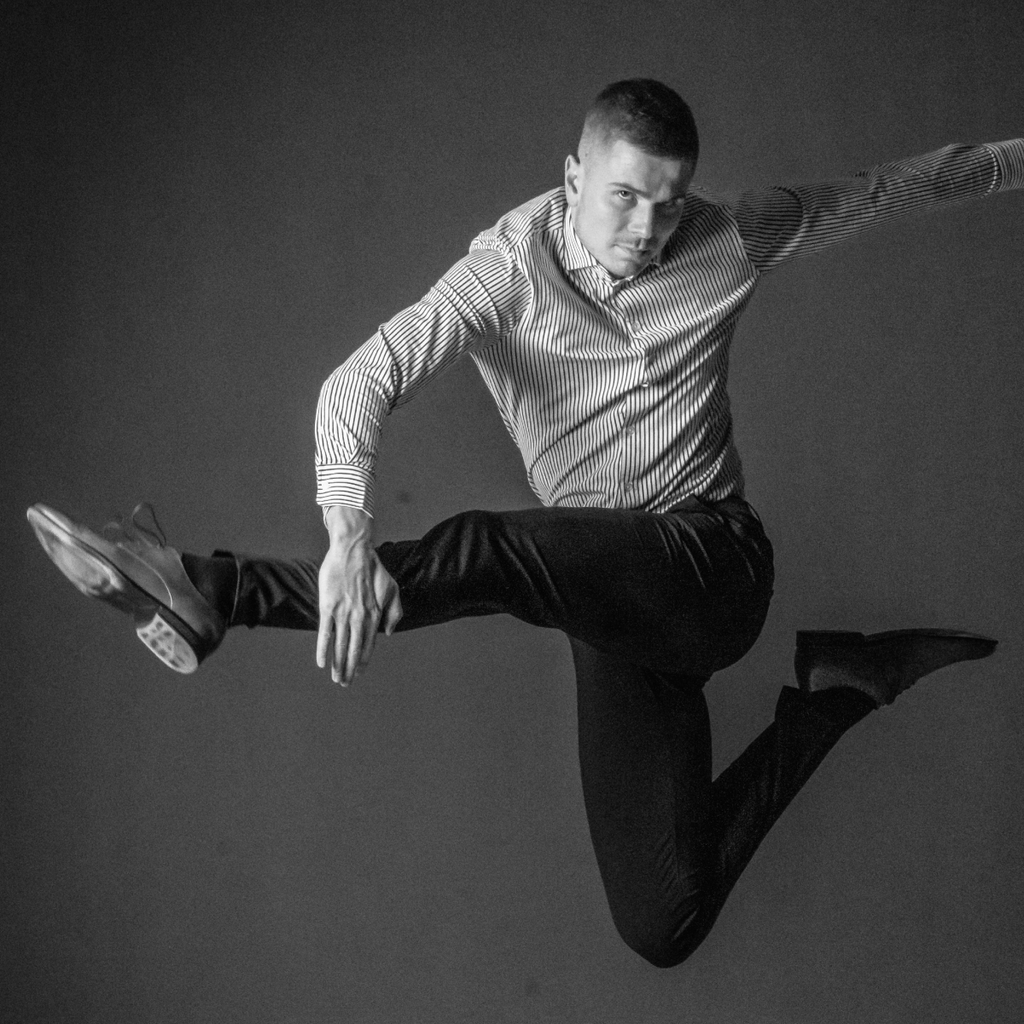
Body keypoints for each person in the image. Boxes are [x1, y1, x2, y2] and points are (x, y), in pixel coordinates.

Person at [27, 79, 1017, 968]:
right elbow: (357, 383)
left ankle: (215, 588)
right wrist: (346, 538)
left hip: (710, 565)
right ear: (573, 177)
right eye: (623, 196)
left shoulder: (729, 237)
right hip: (608, 604)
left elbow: (901, 184)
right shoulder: (505, 272)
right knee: (663, 919)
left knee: (494, 551)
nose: (647, 227)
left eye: (668, 202)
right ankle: (839, 691)